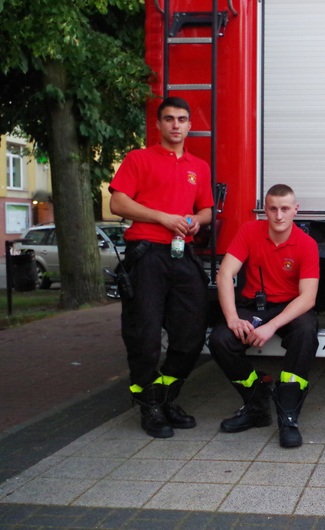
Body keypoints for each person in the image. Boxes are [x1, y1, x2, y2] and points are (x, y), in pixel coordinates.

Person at [109, 96, 214, 438]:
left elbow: (207, 210)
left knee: (191, 334)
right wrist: (163, 217)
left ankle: (166, 397)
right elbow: (117, 202)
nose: (175, 125)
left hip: (183, 255)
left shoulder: (199, 167)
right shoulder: (139, 159)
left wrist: (195, 221)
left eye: (182, 119)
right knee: (144, 336)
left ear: (189, 126)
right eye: (169, 118)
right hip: (147, 255)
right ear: (158, 124)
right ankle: (149, 406)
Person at [207, 184, 319, 448]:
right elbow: (224, 275)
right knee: (221, 340)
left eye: (285, 209)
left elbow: (308, 298)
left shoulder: (307, 244)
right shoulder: (249, 231)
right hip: (254, 306)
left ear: (295, 210)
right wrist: (232, 318)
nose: (279, 216)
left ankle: (288, 416)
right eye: (273, 209)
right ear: (264, 210)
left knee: (305, 333)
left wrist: (271, 327)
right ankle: (257, 403)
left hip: (290, 308)